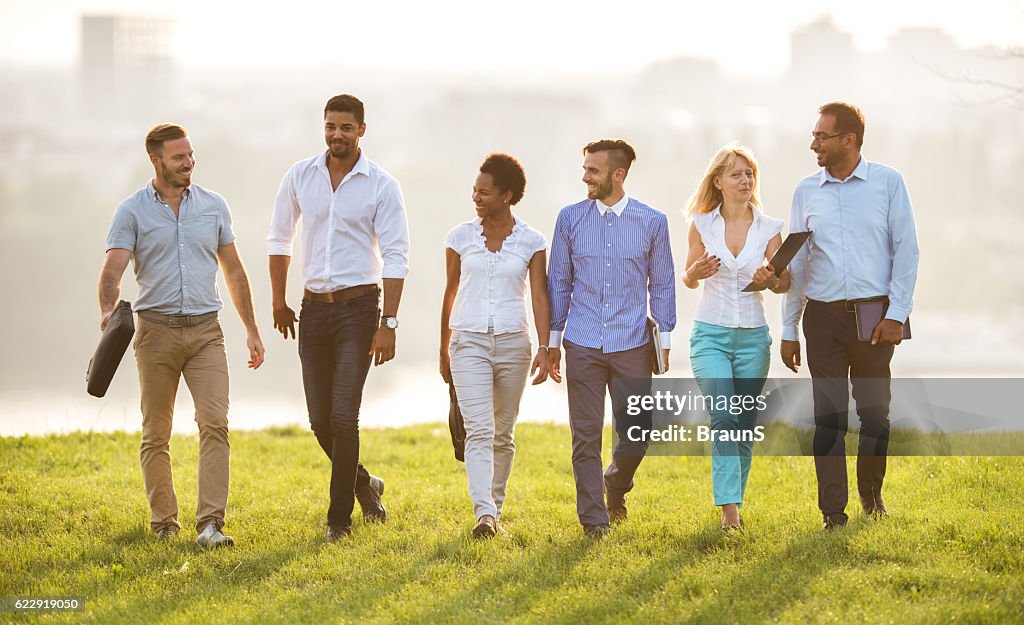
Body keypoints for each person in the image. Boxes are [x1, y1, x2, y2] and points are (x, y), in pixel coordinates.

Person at [98, 123, 265, 548]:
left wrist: (251, 330)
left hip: (207, 332)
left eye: (190, 155)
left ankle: (210, 525)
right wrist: (107, 310)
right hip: (155, 333)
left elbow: (234, 271)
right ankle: (164, 524)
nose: (188, 162)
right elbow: (112, 271)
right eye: (178, 157)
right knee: (156, 432)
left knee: (215, 425)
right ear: (155, 161)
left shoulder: (213, 206)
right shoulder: (131, 211)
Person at [267, 94, 410, 540]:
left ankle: (338, 521)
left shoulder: (381, 185)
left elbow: (397, 256)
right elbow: (279, 238)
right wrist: (278, 300)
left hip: (359, 310)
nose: (337, 135)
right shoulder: (300, 176)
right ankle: (366, 485)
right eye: (330, 126)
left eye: (346, 128)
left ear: (361, 130)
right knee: (320, 421)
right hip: (313, 311)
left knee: (344, 417)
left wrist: (388, 323)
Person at [781, 102, 920, 531]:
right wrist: (788, 328)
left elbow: (907, 252)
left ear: (849, 140)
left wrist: (897, 314)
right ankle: (832, 513)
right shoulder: (805, 190)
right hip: (821, 320)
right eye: (814, 135)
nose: (813, 143)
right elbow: (798, 265)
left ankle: (871, 494)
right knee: (829, 416)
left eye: (821, 136)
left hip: (875, 318)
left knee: (875, 414)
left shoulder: (888, 183)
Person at [548, 139, 676, 539]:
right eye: (585, 168)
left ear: (618, 175)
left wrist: (666, 337)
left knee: (638, 432)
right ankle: (594, 521)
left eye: (593, 170)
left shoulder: (652, 222)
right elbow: (559, 283)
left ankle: (615, 487)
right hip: (582, 342)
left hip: (633, 343)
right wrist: (553, 341)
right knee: (585, 436)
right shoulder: (569, 220)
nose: (585, 176)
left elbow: (664, 281)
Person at [439, 153, 556, 539]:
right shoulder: (459, 237)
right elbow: (450, 292)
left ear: (507, 195)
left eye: (484, 192)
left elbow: (540, 295)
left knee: (503, 433)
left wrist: (545, 346)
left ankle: (495, 510)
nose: (476, 198)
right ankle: (484, 514)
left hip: (513, 345)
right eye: (474, 191)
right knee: (479, 429)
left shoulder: (532, 241)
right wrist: (444, 348)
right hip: (468, 342)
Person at [682, 144, 788, 530]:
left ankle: (734, 501)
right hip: (710, 334)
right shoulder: (702, 223)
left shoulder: (770, 228)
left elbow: (784, 282)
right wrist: (696, 271)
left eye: (749, 174)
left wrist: (770, 279)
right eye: (737, 174)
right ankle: (730, 511)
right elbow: (688, 278)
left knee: (742, 420)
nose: (745, 181)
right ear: (719, 182)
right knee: (724, 415)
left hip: (753, 338)